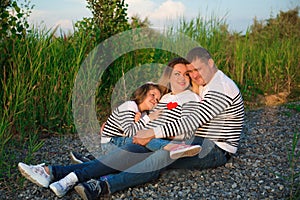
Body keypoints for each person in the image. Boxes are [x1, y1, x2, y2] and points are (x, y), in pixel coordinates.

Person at [71, 46, 245, 199]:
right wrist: (128, 119)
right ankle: (68, 173)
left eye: (197, 69)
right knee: (138, 148)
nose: (194, 75)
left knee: (162, 154)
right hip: (194, 140)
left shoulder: (221, 87)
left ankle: (104, 185)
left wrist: (152, 133)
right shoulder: (205, 84)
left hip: (216, 148)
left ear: (211, 63)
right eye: (191, 71)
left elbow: (192, 121)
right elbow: (157, 105)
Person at [18, 57, 202, 198]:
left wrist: (155, 135)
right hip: (141, 140)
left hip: (160, 143)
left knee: (123, 161)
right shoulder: (164, 96)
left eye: (186, 74)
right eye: (176, 73)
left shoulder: (190, 98)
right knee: (114, 160)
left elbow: (186, 127)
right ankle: (57, 174)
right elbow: (146, 97)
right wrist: (120, 123)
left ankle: (58, 173)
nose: (182, 77)